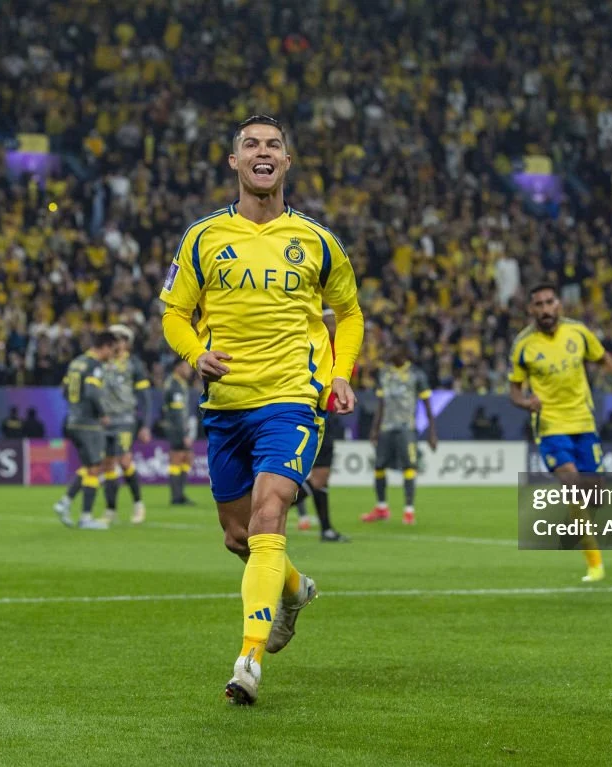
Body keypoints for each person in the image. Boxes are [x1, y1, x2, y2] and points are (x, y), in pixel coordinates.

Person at [159, 115, 363, 706]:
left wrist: (340, 373)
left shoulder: (319, 241)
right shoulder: (202, 237)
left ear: (287, 162)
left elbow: (348, 314)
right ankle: (293, 589)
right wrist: (196, 352)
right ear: (235, 162)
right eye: (251, 144)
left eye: (274, 144)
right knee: (237, 535)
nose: (263, 151)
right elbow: (174, 313)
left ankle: (247, 660)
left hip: (292, 400)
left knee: (272, 512)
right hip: (226, 404)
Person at [509, 283, 612, 583]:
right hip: (550, 425)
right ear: (531, 309)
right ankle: (595, 564)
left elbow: (601, 357)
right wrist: (526, 403)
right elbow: (514, 390)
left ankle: (581, 528)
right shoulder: (523, 345)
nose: (544, 309)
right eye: (538, 304)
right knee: (570, 481)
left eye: (549, 302)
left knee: (594, 496)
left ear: (558, 305)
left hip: (583, 421)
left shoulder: (578, 333)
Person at [362, 341, 438, 525]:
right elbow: (381, 404)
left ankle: (409, 511)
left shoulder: (416, 374)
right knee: (379, 466)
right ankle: (381, 508)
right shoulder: (384, 373)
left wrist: (432, 432)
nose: (389, 351)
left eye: (393, 348)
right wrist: (374, 429)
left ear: (403, 352)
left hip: (407, 427)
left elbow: (427, 405)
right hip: (386, 427)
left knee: (409, 466)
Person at [53, 331, 119, 529]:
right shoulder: (94, 365)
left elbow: (64, 390)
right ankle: (86, 517)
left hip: (72, 420)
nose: (113, 355)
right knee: (95, 468)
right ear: (105, 347)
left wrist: (75, 407)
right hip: (88, 423)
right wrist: (103, 414)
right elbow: (92, 392)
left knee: (89, 466)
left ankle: (65, 502)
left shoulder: (76, 362)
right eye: (113, 350)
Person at [294, 308, 350, 542]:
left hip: (325, 411)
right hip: (316, 412)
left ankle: (326, 529)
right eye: (328, 323)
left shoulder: (328, 348)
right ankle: (267, 509)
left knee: (320, 477)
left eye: (334, 324)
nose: (333, 328)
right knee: (317, 478)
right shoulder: (319, 347)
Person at [100, 324, 152, 525]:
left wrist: (145, 425)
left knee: (124, 461)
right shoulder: (102, 362)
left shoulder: (134, 364)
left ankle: (138, 504)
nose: (116, 344)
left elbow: (145, 397)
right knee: (108, 465)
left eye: (120, 340)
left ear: (126, 343)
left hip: (125, 420)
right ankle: (110, 510)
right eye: (113, 339)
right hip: (104, 421)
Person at [161, 359, 195, 505]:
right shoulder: (175, 385)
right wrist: (184, 434)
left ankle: (180, 494)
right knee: (177, 458)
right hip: (176, 429)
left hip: (178, 427)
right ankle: (176, 497)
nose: (189, 370)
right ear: (178, 368)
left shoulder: (178, 383)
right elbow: (176, 412)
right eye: (186, 367)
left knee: (187, 457)